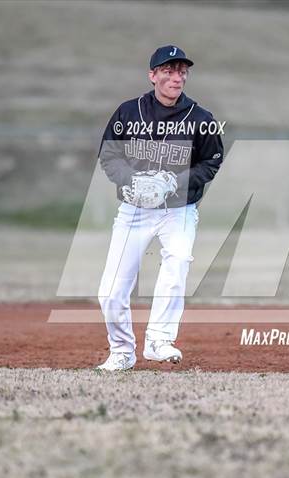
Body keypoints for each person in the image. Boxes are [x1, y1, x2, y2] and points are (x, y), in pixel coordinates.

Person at [96, 45, 224, 370]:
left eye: (181, 71)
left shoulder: (201, 119)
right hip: (134, 210)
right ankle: (122, 352)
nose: (176, 77)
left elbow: (212, 161)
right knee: (110, 292)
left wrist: (173, 182)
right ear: (152, 75)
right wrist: (132, 180)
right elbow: (109, 155)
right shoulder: (129, 112)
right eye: (168, 70)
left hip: (178, 210)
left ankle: (158, 340)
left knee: (177, 261)